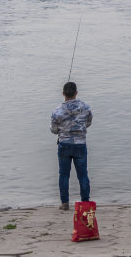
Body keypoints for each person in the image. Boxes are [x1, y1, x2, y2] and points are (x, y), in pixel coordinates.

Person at [51, 81, 93, 210]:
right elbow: (88, 123)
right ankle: (85, 202)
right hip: (80, 144)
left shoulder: (57, 111)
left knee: (64, 174)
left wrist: (64, 131)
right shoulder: (86, 108)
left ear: (63, 93)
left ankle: (65, 203)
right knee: (83, 175)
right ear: (76, 93)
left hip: (64, 144)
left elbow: (54, 130)